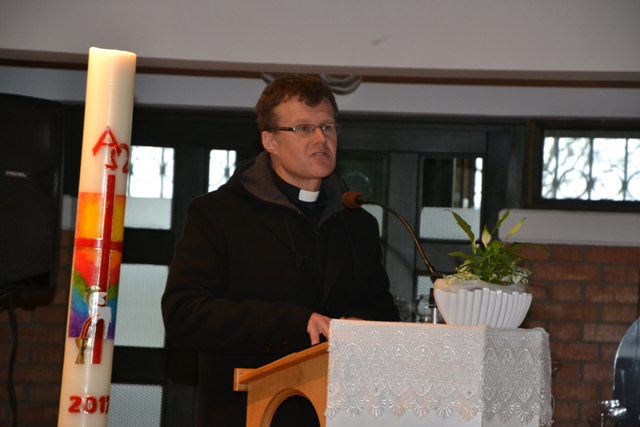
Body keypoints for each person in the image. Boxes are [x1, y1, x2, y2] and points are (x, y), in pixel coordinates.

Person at [162, 75, 400, 427]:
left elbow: (384, 313)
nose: (321, 139)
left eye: (328, 127)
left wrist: (361, 326)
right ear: (270, 141)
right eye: (304, 128)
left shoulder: (358, 223)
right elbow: (184, 315)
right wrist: (295, 323)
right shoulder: (219, 214)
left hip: (340, 414)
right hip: (247, 414)